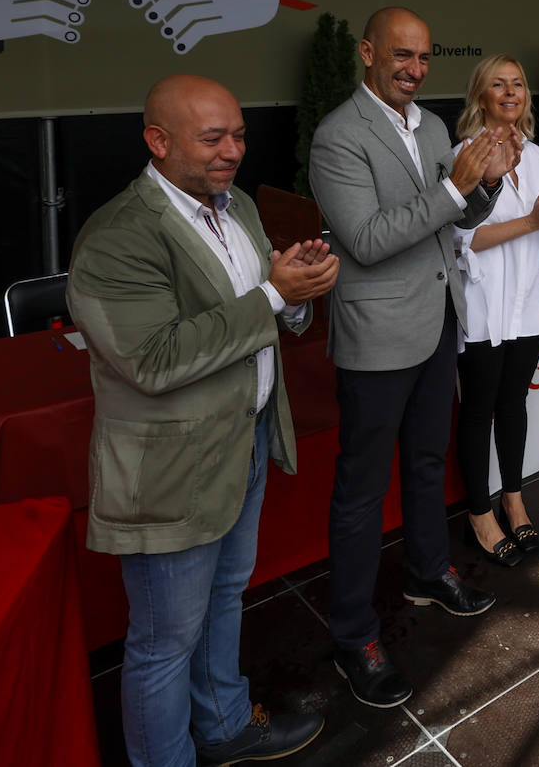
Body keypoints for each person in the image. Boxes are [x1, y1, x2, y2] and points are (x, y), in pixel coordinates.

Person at [66, 74, 338, 767]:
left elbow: (262, 311)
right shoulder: (118, 236)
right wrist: (276, 294)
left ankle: (222, 727)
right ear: (157, 141)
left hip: (240, 445)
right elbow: (153, 360)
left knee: (224, 600)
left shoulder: (236, 205)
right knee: (164, 643)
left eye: (239, 134)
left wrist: (294, 290)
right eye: (212, 137)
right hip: (170, 471)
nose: (233, 151)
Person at [309, 6, 515, 709]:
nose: (415, 69)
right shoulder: (338, 136)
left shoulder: (428, 127)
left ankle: (428, 571)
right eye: (401, 55)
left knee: (428, 462)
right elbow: (365, 240)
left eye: (424, 58)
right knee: (362, 493)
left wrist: (483, 185)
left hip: (436, 323)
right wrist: (458, 186)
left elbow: (457, 218)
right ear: (367, 53)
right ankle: (352, 635)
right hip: (376, 336)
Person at [451, 55, 539, 568]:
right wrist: (533, 222)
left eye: (518, 83)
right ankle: (478, 512)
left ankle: (512, 498)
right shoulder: (464, 155)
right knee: (477, 410)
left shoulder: (535, 156)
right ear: (481, 95)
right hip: (484, 305)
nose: (511, 92)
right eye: (499, 84)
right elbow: (462, 239)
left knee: (513, 404)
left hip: (527, 303)